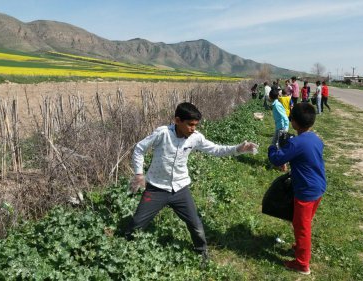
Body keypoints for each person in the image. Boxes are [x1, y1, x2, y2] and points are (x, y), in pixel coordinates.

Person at [126, 102, 258, 265]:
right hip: (156, 189)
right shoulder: (162, 133)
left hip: (180, 189)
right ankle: (126, 252)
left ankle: (201, 252)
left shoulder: (196, 138)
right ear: (177, 120)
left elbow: (216, 149)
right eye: (190, 124)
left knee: (195, 224)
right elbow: (139, 149)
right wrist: (139, 174)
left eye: (195, 125)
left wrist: (239, 148)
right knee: (136, 225)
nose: (193, 128)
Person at [268, 103, 326, 275]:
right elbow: (304, 150)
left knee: (302, 227)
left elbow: (277, 160)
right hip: (318, 186)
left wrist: (273, 146)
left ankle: (302, 264)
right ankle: (300, 247)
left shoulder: (296, 143)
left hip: (306, 191)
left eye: (291, 118)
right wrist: (292, 143)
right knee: (300, 222)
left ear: (294, 122)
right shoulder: (315, 138)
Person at [269, 89, 289, 171]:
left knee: (279, 146)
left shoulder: (277, 105)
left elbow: (285, 117)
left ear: (270, 97)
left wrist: (285, 129)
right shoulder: (275, 104)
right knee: (275, 144)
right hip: (279, 127)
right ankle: (278, 163)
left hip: (282, 128)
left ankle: (283, 165)